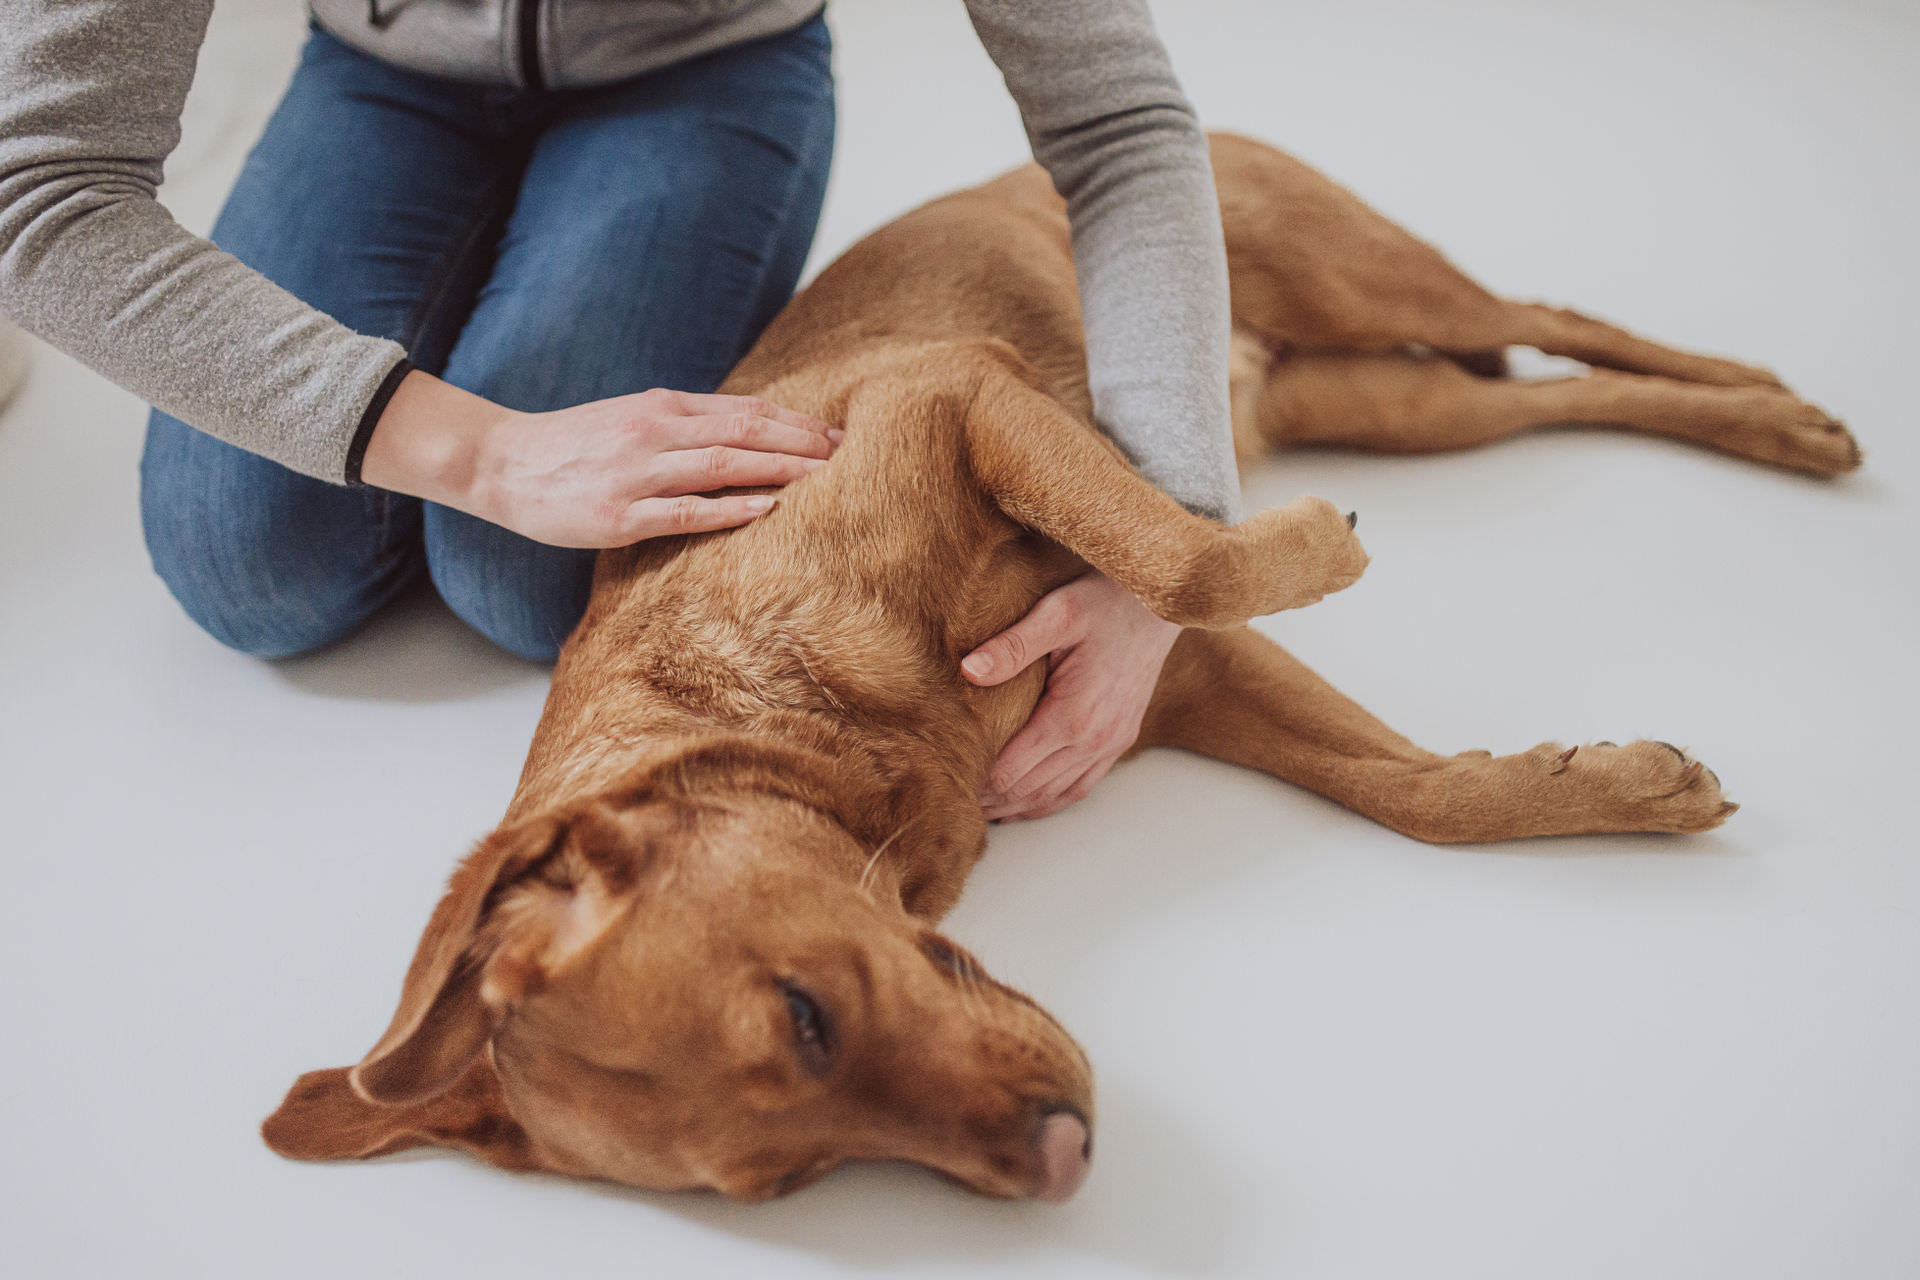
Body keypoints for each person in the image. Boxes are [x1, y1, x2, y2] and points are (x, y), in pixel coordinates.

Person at [0, 0, 1241, 822]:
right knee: (248, 561)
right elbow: (40, 190)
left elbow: (1118, 123)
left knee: (523, 576)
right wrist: (481, 447)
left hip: (703, 67)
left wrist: (1166, 550)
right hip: (383, 72)